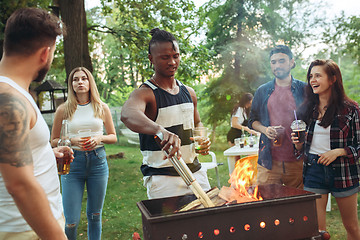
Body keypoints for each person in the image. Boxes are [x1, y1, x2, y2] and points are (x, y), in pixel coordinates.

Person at [0, 7, 69, 240]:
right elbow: (19, 185)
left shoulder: (14, 90)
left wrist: (47, 154)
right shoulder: (9, 100)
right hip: (26, 231)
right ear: (44, 54)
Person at [121, 28, 211, 199]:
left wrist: (202, 138)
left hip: (196, 173)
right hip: (163, 178)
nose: (172, 62)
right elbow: (127, 113)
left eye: (175, 56)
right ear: (151, 59)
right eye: (165, 57)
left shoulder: (189, 92)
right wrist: (159, 130)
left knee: (208, 223)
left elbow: (197, 123)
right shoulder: (146, 93)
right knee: (173, 227)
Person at [292, 59, 360, 239]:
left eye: (318, 75)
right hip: (314, 169)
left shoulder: (351, 109)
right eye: (310, 76)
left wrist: (339, 151)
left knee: (352, 227)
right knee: (317, 232)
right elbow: (300, 148)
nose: (312, 79)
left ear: (332, 79)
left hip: (343, 171)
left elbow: (359, 145)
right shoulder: (307, 109)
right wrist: (298, 144)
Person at [50, 67, 117, 240]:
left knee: (95, 215)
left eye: (84, 78)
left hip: (98, 161)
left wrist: (99, 138)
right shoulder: (63, 109)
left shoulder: (102, 107)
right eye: (75, 79)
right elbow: (53, 141)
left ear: (90, 82)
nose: (80, 82)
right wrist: (71, 141)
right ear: (71, 84)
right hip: (72, 163)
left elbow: (113, 136)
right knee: (70, 220)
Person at [248, 45, 306, 189]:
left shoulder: (304, 89)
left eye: (281, 61)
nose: (277, 65)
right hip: (269, 162)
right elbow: (252, 121)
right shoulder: (262, 91)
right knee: (268, 207)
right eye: (273, 62)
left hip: (297, 161)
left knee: (299, 207)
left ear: (291, 62)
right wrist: (265, 129)